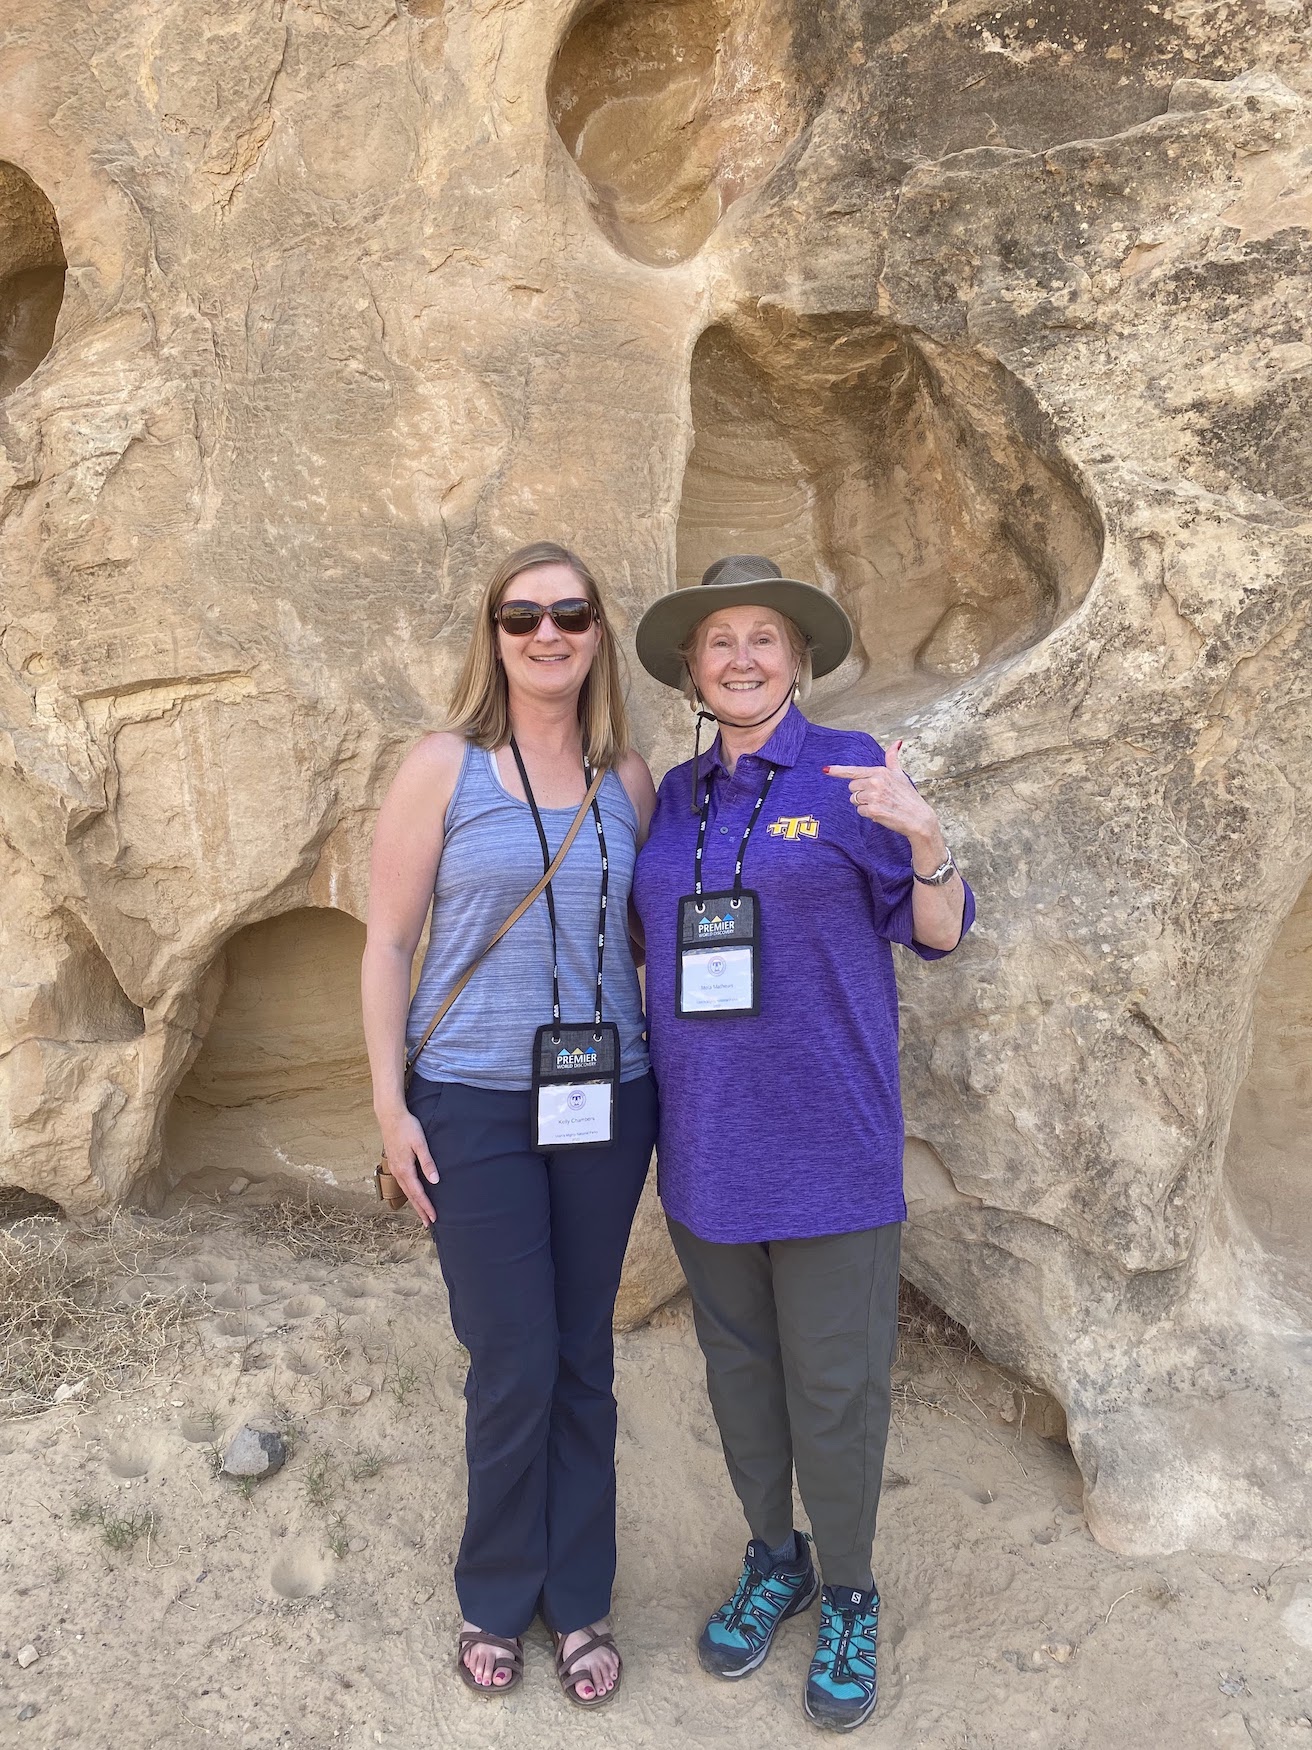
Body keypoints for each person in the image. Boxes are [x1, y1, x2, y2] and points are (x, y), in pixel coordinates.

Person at [631, 554, 975, 1732]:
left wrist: (927, 840)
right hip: (709, 1151)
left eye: (763, 638)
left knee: (835, 1390)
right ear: (690, 665)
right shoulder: (672, 798)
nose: (739, 656)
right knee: (741, 1379)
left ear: (799, 660)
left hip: (830, 1146)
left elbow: (938, 932)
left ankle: (848, 1591)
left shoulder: (852, 774)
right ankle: (772, 1558)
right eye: (718, 639)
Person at [362, 540, 658, 1707]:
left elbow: (645, 944)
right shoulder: (444, 766)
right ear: (492, 634)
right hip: (474, 1098)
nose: (547, 633)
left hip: (606, 1092)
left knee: (584, 1350)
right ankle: (496, 1590)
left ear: (597, 635)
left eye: (571, 614)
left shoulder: (628, 776)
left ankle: (577, 1595)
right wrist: (389, 1104)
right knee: (512, 1352)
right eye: (522, 614)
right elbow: (385, 941)